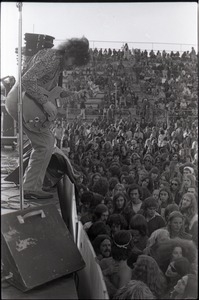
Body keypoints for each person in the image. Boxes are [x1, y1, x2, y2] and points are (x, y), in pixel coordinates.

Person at [5, 36, 90, 199]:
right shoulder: (51, 58)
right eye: (74, 61)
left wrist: (77, 94)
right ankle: (30, 187)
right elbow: (26, 81)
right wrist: (44, 103)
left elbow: (52, 93)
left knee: (46, 143)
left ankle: (30, 186)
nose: (72, 66)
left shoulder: (57, 63)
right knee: (45, 144)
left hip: (23, 100)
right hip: (19, 100)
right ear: (69, 52)